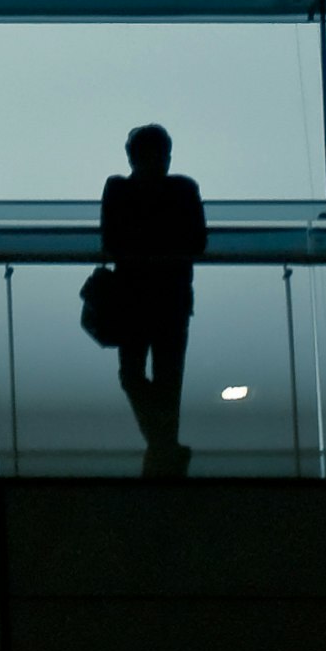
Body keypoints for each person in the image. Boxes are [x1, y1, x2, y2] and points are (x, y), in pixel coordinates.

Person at [100, 123, 207, 477]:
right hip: (171, 296)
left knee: (134, 375)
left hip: (134, 296)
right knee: (167, 381)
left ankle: (162, 448)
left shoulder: (118, 190)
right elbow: (196, 242)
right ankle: (164, 451)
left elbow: (112, 241)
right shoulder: (183, 189)